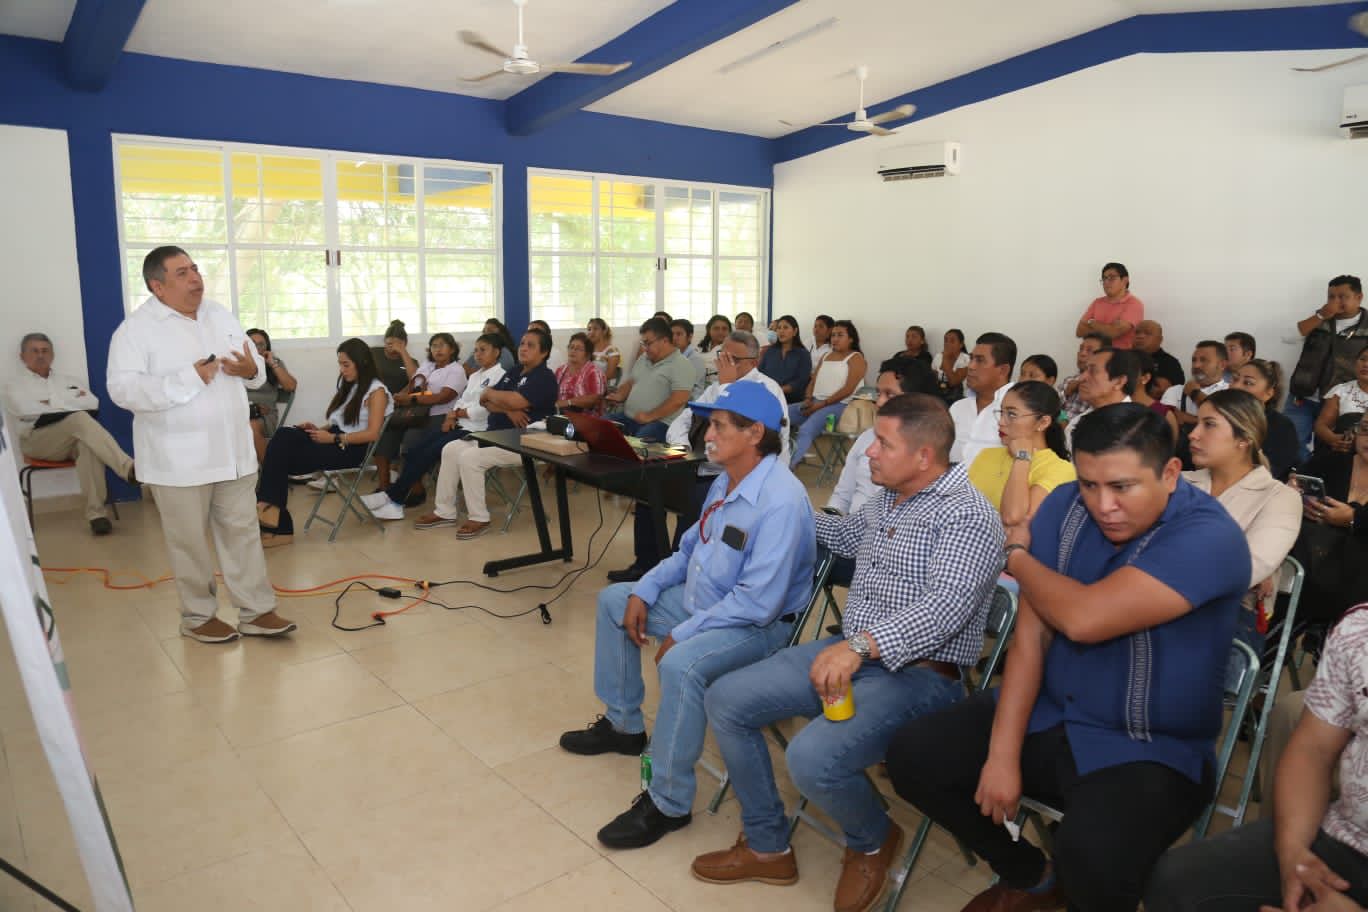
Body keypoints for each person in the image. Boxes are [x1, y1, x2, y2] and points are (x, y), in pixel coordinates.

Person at [887, 404, 1251, 912]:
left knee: (1093, 860)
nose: (1104, 505)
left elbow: (1084, 618)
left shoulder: (1210, 537)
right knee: (913, 754)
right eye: (1089, 484)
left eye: (1122, 486)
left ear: (1170, 474)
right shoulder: (1065, 504)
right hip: (1053, 712)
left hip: (1149, 745)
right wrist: (1002, 756)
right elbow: (1031, 638)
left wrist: (1016, 557)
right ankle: (1031, 875)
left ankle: (1071, 880)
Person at [693, 393, 1003, 912]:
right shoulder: (889, 498)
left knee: (811, 757)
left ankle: (873, 838)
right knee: (726, 699)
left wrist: (860, 646)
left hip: (922, 676)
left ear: (924, 456)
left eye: (883, 443)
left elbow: (945, 608)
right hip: (853, 652)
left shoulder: (968, 516)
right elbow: (843, 535)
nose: (868, 453)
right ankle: (768, 845)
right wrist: (785, 500)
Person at [559, 383, 816, 849]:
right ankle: (623, 726)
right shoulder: (725, 479)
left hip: (757, 627)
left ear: (755, 433)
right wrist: (645, 588)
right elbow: (688, 551)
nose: (707, 435)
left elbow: (758, 602)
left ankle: (668, 802)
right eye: (708, 424)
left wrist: (686, 631)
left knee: (681, 663)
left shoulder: (781, 500)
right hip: (709, 603)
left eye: (718, 426)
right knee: (616, 601)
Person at [107, 246, 295, 643]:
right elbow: (123, 390)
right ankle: (197, 617)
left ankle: (257, 612)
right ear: (157, 286)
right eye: (182, 273)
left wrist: (251, 370)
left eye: (194, 269)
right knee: (189, 544)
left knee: (243, 534)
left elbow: (254, 368)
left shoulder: (220, 314)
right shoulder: (136, 331)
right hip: (179, 461)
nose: (195, 278)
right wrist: (188, 378)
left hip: (233, 453)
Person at [1143, 608, 1368, 912]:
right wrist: (1293, 854)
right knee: (1176, 883)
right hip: (1351, 839)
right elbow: (1313, 750)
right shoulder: (1359, 629)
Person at [607, 331, 787, 584]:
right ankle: (646, 564)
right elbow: (680, 424)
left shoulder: (767, 390)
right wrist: (687, 454)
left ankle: (680, 574)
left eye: (734, 359)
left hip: (739, 476)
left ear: (754, 362)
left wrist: (727, 386)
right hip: (699, 465)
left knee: (695, 500)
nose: (725, 363)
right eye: (723, 356)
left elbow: (746, 441)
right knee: (649, 488)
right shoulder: (714, 388)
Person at [1185, 388, 1302, 660]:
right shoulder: (1179, 482)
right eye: (1197, 423)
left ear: (1244, 439)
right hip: (1157, 604)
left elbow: (1242, 570)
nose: (1193, 434)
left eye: (1209, 425)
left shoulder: (1278, 497)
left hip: (1227, 618)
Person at [414, 330, 557, 538]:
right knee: (451, 449)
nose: (523, 348)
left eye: (531, 345)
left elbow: (515, 400)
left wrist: (494, 394)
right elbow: (485, 402)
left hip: (525, 443)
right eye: (522, 343)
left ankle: (479, 518)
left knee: (470, 457)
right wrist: (504, 404)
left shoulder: (544, 377)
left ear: (544, 352)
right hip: (496, 436)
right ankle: (445, 512)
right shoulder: (514, 372)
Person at [255, 337, 393, 546]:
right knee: (283, 436)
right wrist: (317, 430)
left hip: (349, 449)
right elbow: (339, 423)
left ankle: (273, 518)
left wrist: (334, 438)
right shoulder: (352, 386)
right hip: (333, 439)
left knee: (280, 457)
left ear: (362, 362)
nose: (342, 370)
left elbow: (372, 434)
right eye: (340, 364)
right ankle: (273, 517)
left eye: (346, 365)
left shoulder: (377, 392)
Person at [361, 333, 506, 521]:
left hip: (477, 429)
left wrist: (457, 413)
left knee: (427, 451)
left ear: (497, 352)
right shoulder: (476, 375)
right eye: (476, 350)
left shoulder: (500, 376)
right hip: (458, 424)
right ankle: (393, 497)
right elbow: (461, 400)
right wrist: (452, 415)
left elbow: (486, 409)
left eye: (483, 350)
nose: (477, 355)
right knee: (416, 450)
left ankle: (393, 498)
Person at [4, 332, 135, 535]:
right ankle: (127, 468)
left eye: (45, 351)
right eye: (34, 351)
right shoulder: (13, 386)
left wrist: (47, 404)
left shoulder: (70, 381)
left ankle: (97, 515)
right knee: (79, 418)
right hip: (36, 441)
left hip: (70, 440)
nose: (40, 355)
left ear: (52, 355)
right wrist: (71, 403)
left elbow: (92, 403)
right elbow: (25, 410)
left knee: (87, 446)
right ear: (23, 356)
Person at [827, 359, 939, 587]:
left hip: (895, 555)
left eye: (890, 394)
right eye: (878, 394)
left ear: (917, 401)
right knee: (793, 544)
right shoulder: (866, 438)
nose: (879, 402)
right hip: (849, 536)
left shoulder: (933, 451)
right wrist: (831, 520)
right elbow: (842, 495)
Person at [1290, 413, 1368, 628]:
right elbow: (1290, 487)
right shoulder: (1329, 462)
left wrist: (1354, 519)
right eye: (1365, 429)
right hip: (1310, 565)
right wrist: (1295, 497)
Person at [967, 380, 1076, 525]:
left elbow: (1013, 518)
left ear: (1043, 422)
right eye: (1001, 412)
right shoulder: (986, 455)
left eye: (1012, 414)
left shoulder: (1061, 469)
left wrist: (1022, 457)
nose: (1001, 422)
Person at [373, 332, 465, 497]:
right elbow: (413, 384)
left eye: (442, 345)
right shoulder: (428, 365)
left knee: (411, 439)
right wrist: (399, 397)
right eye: (434, 346)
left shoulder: (456, 370)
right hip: (416, 413)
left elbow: (443, 397)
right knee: (384, 433)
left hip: (439, 416)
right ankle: (384, 487)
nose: (438, 349)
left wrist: (412, 399)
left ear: (452, 349)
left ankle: (415, 490)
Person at [1288, 275, 1368, 454]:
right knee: (1292, 445)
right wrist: (1320, 316)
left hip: (1340, 400)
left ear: (1359, 297)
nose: (1335, 301)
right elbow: (1288, 338)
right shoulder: (1319, 318)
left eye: (1342, 296)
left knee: (1331, 450)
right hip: (1303, 395)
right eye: (1331, 296)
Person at [789, 320, 867, 468]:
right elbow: (813, 381)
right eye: (833, 335)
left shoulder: (856, 358)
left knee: (806, 429)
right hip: (815, 403)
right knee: (780, 415)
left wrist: (820, 405)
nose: (835, 339)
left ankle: (787, 467)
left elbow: (848, 389)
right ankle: (774, 460)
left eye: (840, 335)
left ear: (851, 339)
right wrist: (808, 399)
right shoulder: (826, 355)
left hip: (839, 406)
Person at [602, 318, 696, 439]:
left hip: (660, 423)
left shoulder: (682, 364)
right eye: (643, 343)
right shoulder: (644, 358)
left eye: (648, 343)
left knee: (639, 443)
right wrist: (619, 395)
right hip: (629, 418)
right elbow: (631, 382)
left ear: (665, 340)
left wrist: (649, 416)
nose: (645, 348)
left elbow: (679, 399)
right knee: (601, 426)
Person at [949, 332, 1017, 467]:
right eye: (971, 359)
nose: (970, 366)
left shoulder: (1019, 412)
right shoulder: (958, 407)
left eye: (980, 360)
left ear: (1003, 370)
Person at [1235, 358, 1301, 481]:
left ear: (1269, 393)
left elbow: (1271, 473)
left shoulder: (1281, 426)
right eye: (1235, 379)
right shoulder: (1221, 417)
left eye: (1248, 383)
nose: (1236, 386)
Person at [1065, 347, 1139, 451]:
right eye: (1084, 370)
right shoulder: (1078, 422)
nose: (1081, 378)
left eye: (1093, 371)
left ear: (1119, 382)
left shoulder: (1137, 427)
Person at [245, 328, 297, 463]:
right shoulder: (237, 364)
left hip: (265, 415)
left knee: (251, 425)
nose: (257, 348)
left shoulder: (273, 362)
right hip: (241, 412)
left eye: (261, 344)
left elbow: (291, 386)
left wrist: (272, 363)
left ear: (266, 347)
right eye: (252, 343)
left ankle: (269, 471)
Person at [1162, 339, 1230, 434]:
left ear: (1222, 365)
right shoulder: (1175, 391)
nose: (1196, 365)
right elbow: (1163, 424)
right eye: (1194, 360)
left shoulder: (1231, 391)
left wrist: (1195, 394)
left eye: (1203, 360)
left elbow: (1229, 424)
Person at [1075, 261, 1144, 349]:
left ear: (1125, 280)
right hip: (1095, 355)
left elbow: (1113, 333)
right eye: (1104, 279)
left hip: (1121, 356)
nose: (1106, 282)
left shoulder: (1134, 304)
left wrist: (1093, 323)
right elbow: (1079, 331)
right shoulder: (1097, 302)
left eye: (1112, 278)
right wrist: (1108, 328)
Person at [1315, 348, 1368, 455]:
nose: (1366, 364)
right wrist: (1334, 439)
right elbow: (1321, 426)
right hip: (1343, 453)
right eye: (1362, 359)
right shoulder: (1341, 391)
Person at [758, 314, 812, 404]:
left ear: (795, 331)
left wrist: (779, 390)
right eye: (779, 328)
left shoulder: (803, 354)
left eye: (785, 328)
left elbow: (801, 381)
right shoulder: (770, 351)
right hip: (767, 395)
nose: (781, 331)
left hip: (791, 400)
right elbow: (760, 373)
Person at [1059, 332, 1111, 423]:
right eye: (1081, 349)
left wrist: (1063, 423)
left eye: (1089, 350)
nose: (1082, 354)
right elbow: (1049, 406)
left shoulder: (1103, 386)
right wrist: (1066, 392)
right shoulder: (1069, 380)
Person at [553, 331, 605, 413]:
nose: (573, 351)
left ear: (588, 354)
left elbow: (594, 399)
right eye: (571, 347)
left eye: (578, 349)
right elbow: (552, 392)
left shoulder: (593, 372)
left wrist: (568, 402)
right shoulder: (560, 370)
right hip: (560, 414)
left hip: (586, 417)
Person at [1133, 319, 1186, 395]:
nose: (1140, 336)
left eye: (1147, 333)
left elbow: (1164, 390)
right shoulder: (1123, 358)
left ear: (1159, 340)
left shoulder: (1170, 362)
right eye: (1137, 332)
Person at [374, 320, 418, 395]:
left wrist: (403, 351)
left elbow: (416, 381)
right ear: (385, 341)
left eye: (397, 344)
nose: (393, 347)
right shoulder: (374, 353)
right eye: (389, 343)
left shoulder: (412, 362)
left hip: (399, 399)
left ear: (405, 343)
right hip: (376, 396)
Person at [670, 318, 707, 394]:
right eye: (671, 334)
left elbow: (687, 389)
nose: (674, 338)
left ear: (689, 337)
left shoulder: (695, 359)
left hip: (690, 399)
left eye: (679, 334)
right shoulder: (670, 356)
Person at [936, 328, 970, 404]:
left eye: (952, 341)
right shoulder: (938, 357)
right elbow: (932, 379)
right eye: (945, 340)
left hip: (959, 399)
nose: (947, 344)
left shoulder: (966, 359)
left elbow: (953, 382)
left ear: (961, 344)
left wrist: (945, 358)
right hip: (940, 397)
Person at [698, 314, 733, 387]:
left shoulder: (732, 350)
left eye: (724, 329)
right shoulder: (699, 348)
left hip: (720, 386)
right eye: (716, 328)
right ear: (709, 330)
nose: (720, 332)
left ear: (729, 331)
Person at [587, 317, 621, 387]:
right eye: (589, 329)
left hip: (604, 386)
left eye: (595, 329)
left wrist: (590, 382)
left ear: (604, 331)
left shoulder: (612, 351)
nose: (591, 332)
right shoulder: (587, 349)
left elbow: (609, 375)